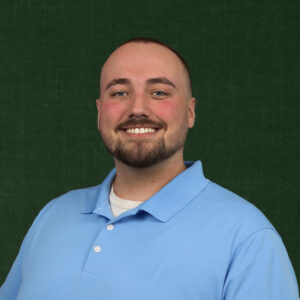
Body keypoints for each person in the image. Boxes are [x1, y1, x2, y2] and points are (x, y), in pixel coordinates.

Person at [0, 37, 298, 300]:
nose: (137, 108)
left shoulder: (247, 237)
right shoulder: (53, 215)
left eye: (159, 92)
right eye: (119, 93)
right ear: (99, 111)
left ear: (190, 112)